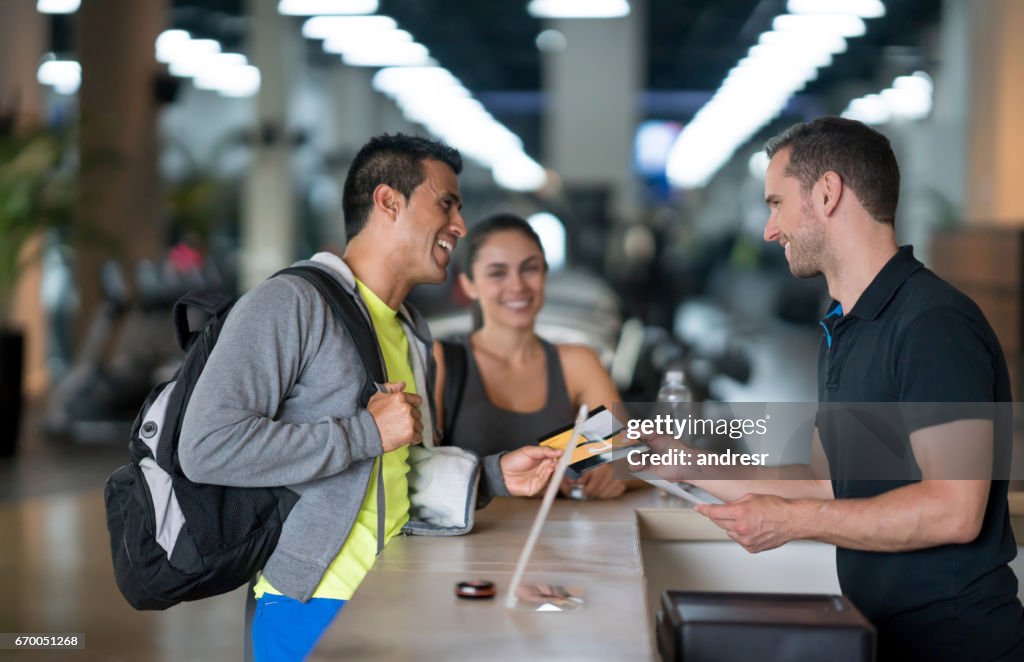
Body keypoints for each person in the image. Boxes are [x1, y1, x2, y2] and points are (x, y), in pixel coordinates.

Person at [648, 117, 1024, 661]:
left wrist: (789, 521)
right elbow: (827, 483)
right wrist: (685, 466)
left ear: (826, 193)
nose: (768, 230)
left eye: (776, 203)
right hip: (879, 635)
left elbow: (954, 509)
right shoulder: (845, 324)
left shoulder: (932, 324)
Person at [178, 135, 561, 661]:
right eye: (446, 204)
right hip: (310, 605)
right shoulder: (290, 303)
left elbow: (395, 472)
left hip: (399, 591)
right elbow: (205, 446)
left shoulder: (410, 330)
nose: (460, 226)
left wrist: (494, 475)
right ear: (388, 201)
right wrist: (365, 432)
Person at [432, 213, 627, 500]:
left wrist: (609, 474)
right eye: (498, 273)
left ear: (545, 276)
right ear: (468, 285)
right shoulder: (442, 361)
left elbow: (632, 457)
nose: (518, 286)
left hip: (560, 540)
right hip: (469, 542)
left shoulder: (577, 364)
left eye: (530, 269)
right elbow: (415, 470)